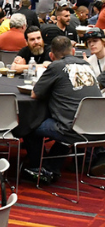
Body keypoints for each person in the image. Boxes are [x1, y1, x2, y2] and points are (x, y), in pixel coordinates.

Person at [23, 36, 102, 182]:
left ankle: (37, 168)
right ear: (73, 51)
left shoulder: (56, 66)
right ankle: (51, 166)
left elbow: (35, 94)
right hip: (98, 126)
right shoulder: (87, 65)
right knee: (65, 121)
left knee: (30, 125)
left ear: (51, 56)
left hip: (73, 129)